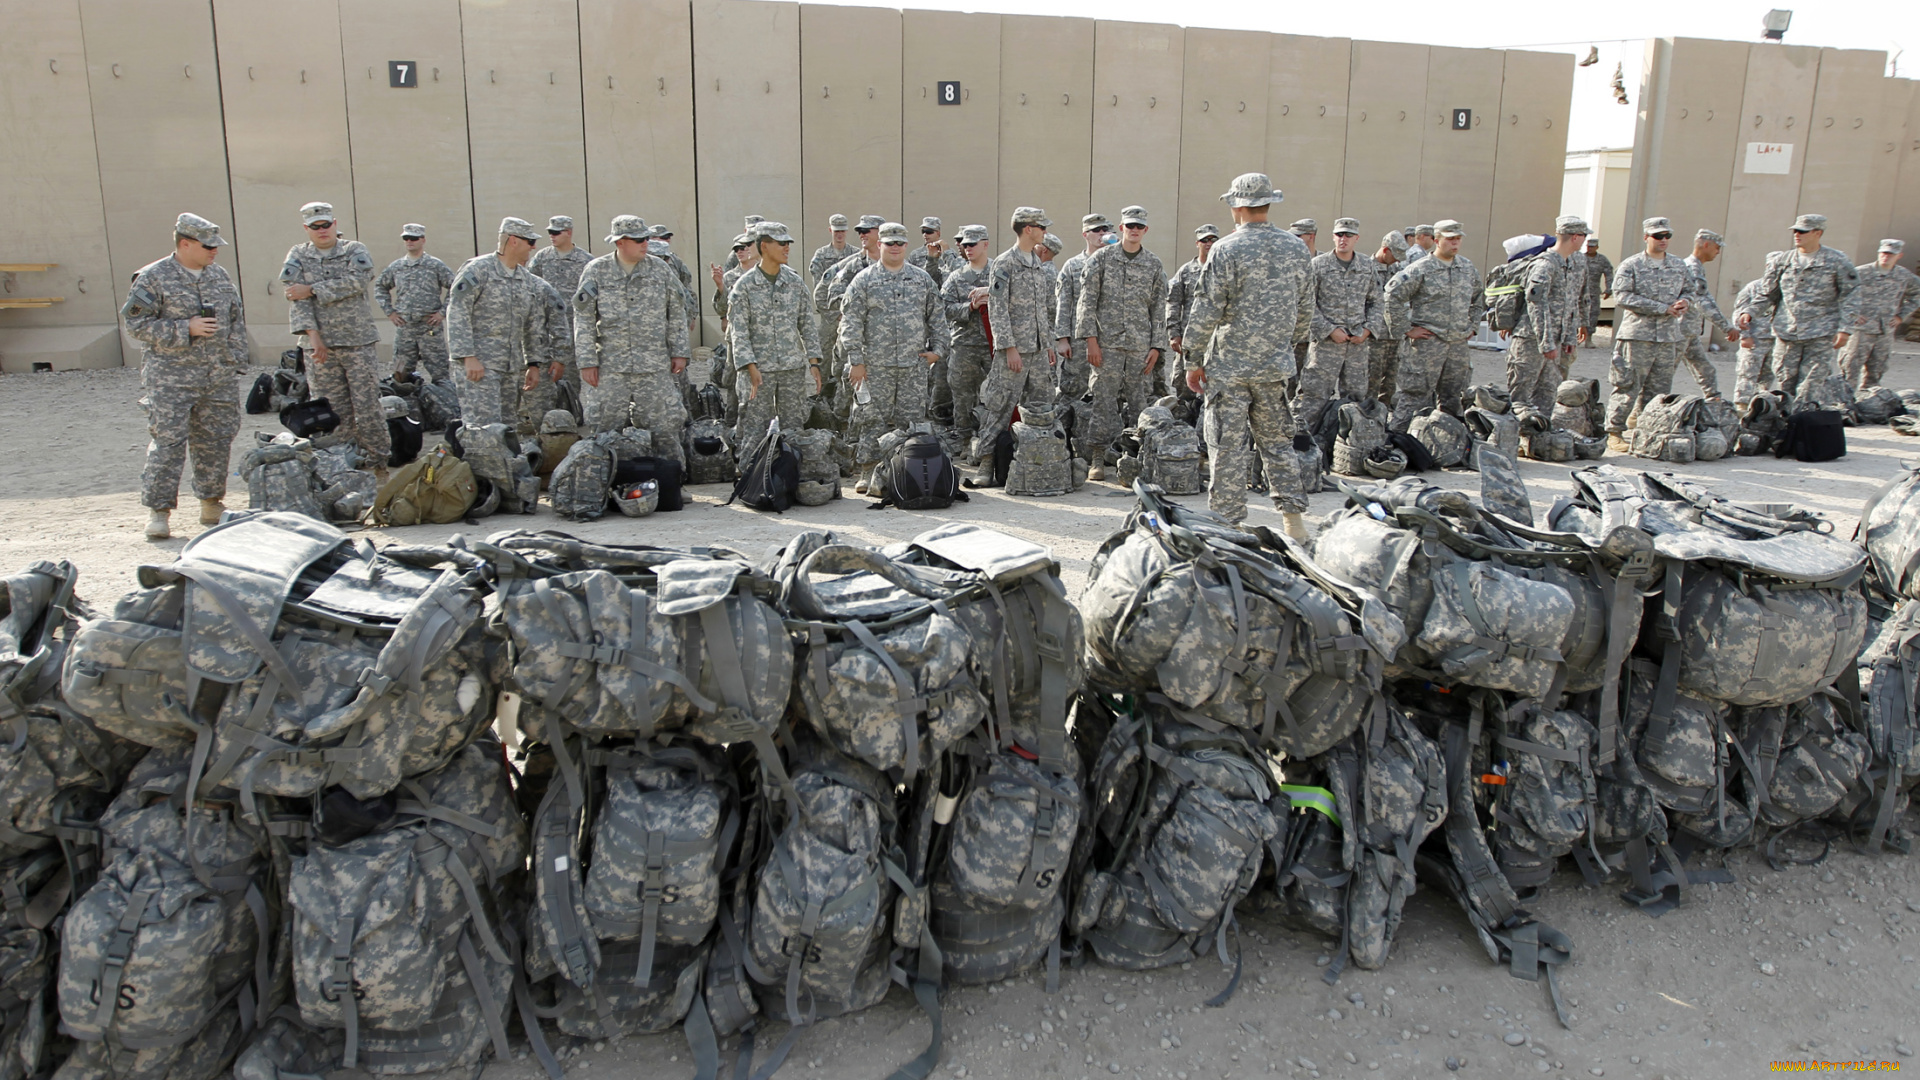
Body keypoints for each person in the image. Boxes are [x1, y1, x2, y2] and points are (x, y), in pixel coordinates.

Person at [1182, 172, 1312, 535]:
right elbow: (1305, 312)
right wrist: (1283, 343)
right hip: (1273, 367)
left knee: (1227, 448)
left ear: (1237, 206)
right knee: (1277, 445)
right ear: (1269, 204)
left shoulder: (1226, 249)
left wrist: (1193, 360)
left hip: (1230, 369)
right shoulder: (1297, 248)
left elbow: (1206, 308)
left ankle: (1229, 524)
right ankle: (1294, 523)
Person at [123, 212, 249, 540]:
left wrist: (235, 360)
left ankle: (211, 503)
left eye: (216, 246)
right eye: (207, 246)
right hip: (171, 378)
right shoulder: (153, 277)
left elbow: (235, 319)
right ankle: (159, 511)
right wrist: (185, 328)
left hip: (217, 376)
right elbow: (135, 325)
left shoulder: (218, 276)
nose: (214, 251)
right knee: (168, 443)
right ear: (185, 244)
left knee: (216, 440)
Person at [572, 215, 691, 464]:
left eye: (646, 238)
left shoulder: (660, 270)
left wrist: (679, 351)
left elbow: (677, 313)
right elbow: (583, 319)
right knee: (603, 427)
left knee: (666, 426)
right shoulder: (597, 271)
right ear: (620, 242)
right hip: (612, 366)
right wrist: (587, 361)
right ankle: (599, 483)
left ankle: (671, 480)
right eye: (638, 239)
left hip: (654, 365)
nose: (645, 243)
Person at [281, 202, 391, 470]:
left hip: (357, 342)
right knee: (331, 410)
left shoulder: (354, 250)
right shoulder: (297, 255)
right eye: (315, 227)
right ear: (306, 228)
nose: (322, 231)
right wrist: (313, 337)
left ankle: (378, 460)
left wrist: (313, 289)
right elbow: (297, 298)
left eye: (326, 225)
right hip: (320, 346)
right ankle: (344, 461)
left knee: (367, 406)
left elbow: (357, 282)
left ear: (335, 223)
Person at [841, 222, 945, 490]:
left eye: (900, 243)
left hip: (913, 365)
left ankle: (907, 472)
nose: (895, 247)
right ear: (880, 245)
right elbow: (850, 323)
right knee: (871, 421)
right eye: (889, 243)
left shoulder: (922, 279)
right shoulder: (864, 281)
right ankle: (867, 472)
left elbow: (937, 318)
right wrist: (856, 361)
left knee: (911, 423)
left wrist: (938, 351)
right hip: (875, 367)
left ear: (906, 246)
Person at [1076, 205, 1169, 478]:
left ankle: (1137, 457)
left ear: (1146, 230)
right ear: (1121, 228)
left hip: (1140, 346)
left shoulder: (1153, 264)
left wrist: (1156, 346)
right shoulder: (1101, 260)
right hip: (1108, 345)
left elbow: (1158, 308)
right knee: (1103, 401)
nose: (1134, 231)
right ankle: (1097, 457)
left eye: (1139, 226)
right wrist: (1091, 341)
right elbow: (1087, 302)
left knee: (1140, 403)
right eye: (1130, 226)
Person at [447, 217, 554, 429]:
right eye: (530, 242)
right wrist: (467, 356)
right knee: (483, 427)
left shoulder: (526, 279)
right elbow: (457, 312)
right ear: (513, 241)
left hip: (511, 366)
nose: (534, 247)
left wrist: (532, 364)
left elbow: (531, 325)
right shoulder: (478, 270)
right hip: (480, 364)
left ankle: (507, 463)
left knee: (508, 427)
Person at [727, 221, 821, 463]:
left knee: (793, 425)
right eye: (781, 243)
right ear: (764, 246)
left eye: (788, 243)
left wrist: (813, 362)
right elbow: (738, 332)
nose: (786, 248)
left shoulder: (794, 282)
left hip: (791, 367)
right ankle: (750, 473)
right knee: (755, 425)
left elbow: (807, 324)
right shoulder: (744, 287)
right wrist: (750, 367)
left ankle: (793, 472)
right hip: (759, 370)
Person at [1746, 213, 1861, 407]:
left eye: (1803, 232)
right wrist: (1749, 312)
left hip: (1820, 334)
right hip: (1787, 332)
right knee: (1784, 382)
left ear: (1818, 233)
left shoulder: (1837, 261)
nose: (1797, 235)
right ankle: (1785, 426)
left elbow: (1851, 295)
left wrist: (1845, 329)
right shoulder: (1783, 261)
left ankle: (1802, 427)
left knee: (1810, 384)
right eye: (1795, 231)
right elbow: (1769, 294)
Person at [975, 207, 1060, 461]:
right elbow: (997, 308)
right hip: (1014, 351)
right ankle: (986, 461)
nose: (1045, 232)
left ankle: (1035, 459)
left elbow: (1043, 309)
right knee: (1000, 405)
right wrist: (1008, 347)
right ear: (1028, 229)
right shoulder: (1005, 263)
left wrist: (1048, 344)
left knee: (1041, 404)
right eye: (1042, 227)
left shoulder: (1038, 264)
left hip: (1037, 350)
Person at [1384, 219, 1484, 432]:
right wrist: (1405, 329)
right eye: (1450, 239)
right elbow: (1392, 295)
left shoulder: (1466, 268)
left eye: (1458, 239)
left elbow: (1479, 298)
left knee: (1453, 397)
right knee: (1415, 396)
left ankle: (1449, 444)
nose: (1455, 244)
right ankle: (1397, 440)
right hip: (1427, 344)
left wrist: (1473, 326)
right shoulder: (1421, 268)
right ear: (1437, 240)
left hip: (1457, 345)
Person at [1605, 216, 1692, 448]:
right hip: (1637, 336)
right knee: (1628, 385)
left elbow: (1691, 290)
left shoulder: (1678, 265)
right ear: (1646, 237)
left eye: (1667, 236)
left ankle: (1645, 431)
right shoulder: (1632, 265)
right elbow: (1622, 296)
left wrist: (1685, 302)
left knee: (1659, 389)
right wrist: (1662, 308)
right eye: (1658, 236)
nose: (1663, 240)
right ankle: (1614, 432)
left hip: (1667, 337)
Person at [1297, 216, 1385, 434]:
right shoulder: (1318, 266)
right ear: (1333, 237)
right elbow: (1306, 303)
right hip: (1326, 345)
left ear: (1357, 238)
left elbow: (1376, 302)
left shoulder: (1367, 266)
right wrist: (1328, 330)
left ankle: (1347, 442)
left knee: (1355, 398)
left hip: (1357, 344)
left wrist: (1367, 330)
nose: (1343, 239)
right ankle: (1304, 442)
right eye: (1339, 235)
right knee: (1313, 396)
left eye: (1348, 235)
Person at [1506, 216, 1588, 419]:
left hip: (1557, 341)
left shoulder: (1573, 263)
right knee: (1521, 396)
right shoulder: (1544, 265)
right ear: (1576, 237)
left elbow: (1571, 303)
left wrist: (1569, 337)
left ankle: (1539, 440)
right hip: (1532, 340)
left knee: (1548, 393)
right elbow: (1536, 305)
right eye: (1584, 236)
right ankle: (1515, 440)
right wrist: (1546, 343)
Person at [375, 223, 454, 384]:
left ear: (423, 240)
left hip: (429, 327)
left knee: (440, 373)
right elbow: (380, 287)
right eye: (406, 238)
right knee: (400, 373)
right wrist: (390, 312)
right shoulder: (397, 267)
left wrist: (442, 313)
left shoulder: (435, 265)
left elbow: (456, 288)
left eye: (414, 238)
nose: (410, 241)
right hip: (405, 328)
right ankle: (406, 405)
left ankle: (443, 403)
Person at [940, 224, 994, 456]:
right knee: (962, 394)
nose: (968, 248)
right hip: (965, 345)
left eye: (973, 244)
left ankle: (993, 439)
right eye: (965, 245)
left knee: (998, 394)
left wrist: (993, 298)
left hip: (995, 346)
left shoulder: (999, 273)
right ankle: (963, 439)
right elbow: (944, 309)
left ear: (985, 244)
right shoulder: (956, 277)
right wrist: (970, 307)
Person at [1842, 239, 1919, 391]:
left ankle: (1869, 403)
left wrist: (1901, 316)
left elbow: (1917, 294)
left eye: (1891, 254)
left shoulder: (1903, 276)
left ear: (1899, 256)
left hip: (1885, 331)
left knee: (1877, 369)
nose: (1886, 257)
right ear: (1879, 253)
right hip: (1861, 330)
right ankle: (1845, 403)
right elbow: (1841, 293)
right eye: (1884, 253)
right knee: (1850, 368)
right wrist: (1852, 314)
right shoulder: (1861, 272)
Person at [1054, 214, 1112, 403]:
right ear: (1085, 234)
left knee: (1106, 389)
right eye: (1096, 230)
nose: (1101, 234)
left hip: (1109, 338)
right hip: (1079, 341)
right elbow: (1064, 302)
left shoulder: (1115, 263)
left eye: (1105, 230)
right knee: (1074, 389)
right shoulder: (1073, 265)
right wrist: (1063, 338)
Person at [1166, 223, 1219, 408]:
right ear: (1197, 243)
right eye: (1205, 240)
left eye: (1213, 240)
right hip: (1189, 339)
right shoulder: (1186, 271)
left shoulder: (1222, 270)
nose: (1209, 243)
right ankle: (1185, 422)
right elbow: (1173, 302)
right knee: (1182, 383)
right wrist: (1174, 333)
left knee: (1214, 385)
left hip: (1216, 339)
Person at [1678, 228, 1733, 398]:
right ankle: (1638, 414)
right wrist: (1726, 327)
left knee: (1705, 370)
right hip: (1677, 333)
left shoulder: (1697, 268)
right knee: (1661, 376)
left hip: (1689, 333)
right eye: (1717, 247)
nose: (1718, 252)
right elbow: (1702, 302)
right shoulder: (1692, 268)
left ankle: (1714, 403)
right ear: (1706, 245)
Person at [1731, 255, 1783, 402]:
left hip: (1776, 341)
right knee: (1747, 376)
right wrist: (1745, 336)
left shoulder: (1786, 290)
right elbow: (1739, 313)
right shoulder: (1754, 288)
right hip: (1755, 341)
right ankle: (1742, 408)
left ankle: (1759, 407)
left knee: (1766, 379)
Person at [1368, 231, 1410, 404]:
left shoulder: (1398, 271)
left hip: (1394, 336)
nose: (1398, 260)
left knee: (1390, 382)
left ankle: (1382, 419)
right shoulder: (1366, 269)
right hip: (1373, 337)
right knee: (1371, 380)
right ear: (1385, 250)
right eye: (1395, 255)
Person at [908, 216, 965, 287]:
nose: (925, 234)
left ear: (938, 233)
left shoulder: (950, 253)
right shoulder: (915, 254)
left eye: (929, 232)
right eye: (923, 231)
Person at [1582, 237, 1614, 345]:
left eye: (1592, 247)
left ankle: (1589, 339)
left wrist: (1609, 289)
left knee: (1593, 314)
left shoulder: (1602, 260)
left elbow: (1609, 273)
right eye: (1588, 246)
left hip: (1593, 292)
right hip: (1578, 292)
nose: (1589, 248)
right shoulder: (1580, 258)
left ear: (1597, 247)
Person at [808, 213, 855, 286]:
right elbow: (818, 284)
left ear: (847, 230)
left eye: (842, 231)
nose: (840, 234)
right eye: (836, 231)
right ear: (830, 230)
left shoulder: (855, 254)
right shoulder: (821, 255)